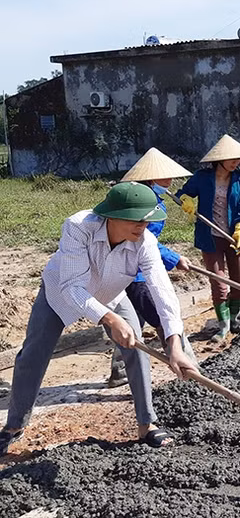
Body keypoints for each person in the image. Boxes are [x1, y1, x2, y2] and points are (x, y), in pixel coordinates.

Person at [0, 182, 198, 457]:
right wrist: (109, 320)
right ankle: (13, 426)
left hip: (111, 295)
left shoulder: (144, 242)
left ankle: (146, 423)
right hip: (60, 292)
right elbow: (72, 286)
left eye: (147, 220)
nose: (143, 226)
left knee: (135, 346)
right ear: (113, 216)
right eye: (137, 220)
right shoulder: (78, 226)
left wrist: (174, 344)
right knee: (33, 354)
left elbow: (162, 291)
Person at [108, 148, 198, 388]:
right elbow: (143, 241)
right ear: (149, 179)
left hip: (131, 270)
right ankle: (190, 371)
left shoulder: (154, 201)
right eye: (164, 178)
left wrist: (172, 256)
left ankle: (119, 371)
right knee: (163, 319)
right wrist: (174, 258)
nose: (169, 183)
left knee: (133, 322)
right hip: (135, 274)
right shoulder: (139, 204)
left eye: (170, 178)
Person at [175, 135, 240, 342]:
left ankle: (234, 318)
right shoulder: (202, 178)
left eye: (238, 159)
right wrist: (185, 200)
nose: (236, 162)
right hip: (210, 237)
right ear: (219, 159)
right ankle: (223, 326)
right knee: (219, 282)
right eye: (231, 158)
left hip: (234, 238)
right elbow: (183, 193)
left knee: (239, 283)